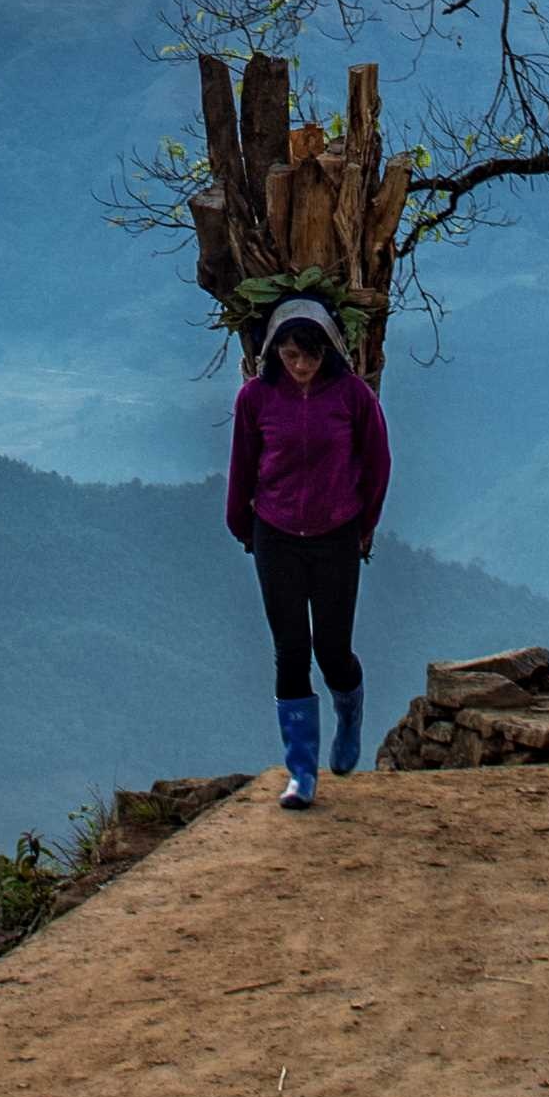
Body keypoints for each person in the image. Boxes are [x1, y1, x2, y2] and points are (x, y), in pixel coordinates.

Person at [225, 294, 389, 808]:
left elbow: (378, 462)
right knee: (291, 651)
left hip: (337, 533)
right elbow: (243, 464)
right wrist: (241, 523)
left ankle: (349, 715)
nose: (300, 366)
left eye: (310, 356)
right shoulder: (255, 398)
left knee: (332, 650)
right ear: (275, 351)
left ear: (329, 351)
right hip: (275, 533)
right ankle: (302, 772)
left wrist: (364, 525)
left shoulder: (353, 397)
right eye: (291, 355)